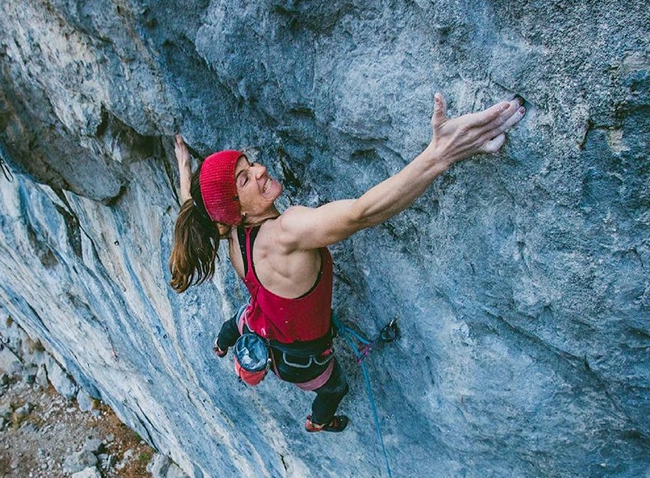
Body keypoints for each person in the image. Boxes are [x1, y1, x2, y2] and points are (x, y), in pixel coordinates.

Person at [169, 94, 525, 432]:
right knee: (333, 388)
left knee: (241, 320)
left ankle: (223, 343)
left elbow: (195, 207)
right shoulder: (285, 232)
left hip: (263, 324)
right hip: (301, 360)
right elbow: (361, 214)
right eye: (244, 179)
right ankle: (319, 421)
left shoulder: (230, 234)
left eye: (250, 164)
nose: (261, 170)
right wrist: (440, 155)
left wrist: (185, 169)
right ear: (236, 208)